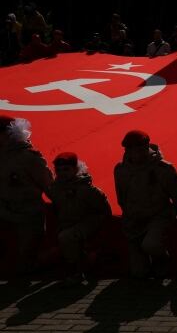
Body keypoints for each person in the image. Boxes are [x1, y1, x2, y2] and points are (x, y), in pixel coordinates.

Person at [114, 130, 177, 279]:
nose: (135, 152)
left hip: (158, 217)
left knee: (151, 245)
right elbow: (121, 197)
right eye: (131, 148)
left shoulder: (163, 169)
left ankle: (163, 259)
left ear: (147, 146)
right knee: (138, 272)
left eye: (139, 147)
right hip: (134, 220)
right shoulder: (121, 170)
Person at [0, 116, 53, 276]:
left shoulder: (29, 158)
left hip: (28, 214)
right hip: (4, 211)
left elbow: (49, 187)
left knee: (26, 261)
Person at [47, 152, 111, 283]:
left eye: (66, 169)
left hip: (87, 223)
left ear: (75, 169)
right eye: (59, 170)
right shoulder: (55, 189)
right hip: (68, 224)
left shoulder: (87, 190)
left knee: (66, 237)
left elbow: (104, 210)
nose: (62, 173)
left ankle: (76, 271)